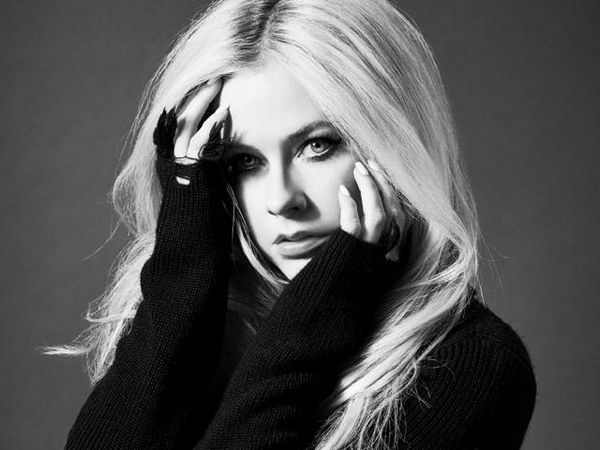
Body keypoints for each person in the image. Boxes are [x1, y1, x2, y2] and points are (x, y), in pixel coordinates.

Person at [47, 0, 537, 448]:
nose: (282, 200)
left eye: (318, 146)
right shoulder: (186, 324)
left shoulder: (469, 364)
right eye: (242, 162)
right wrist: (185, 275)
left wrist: (310, 324)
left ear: (394, 143)